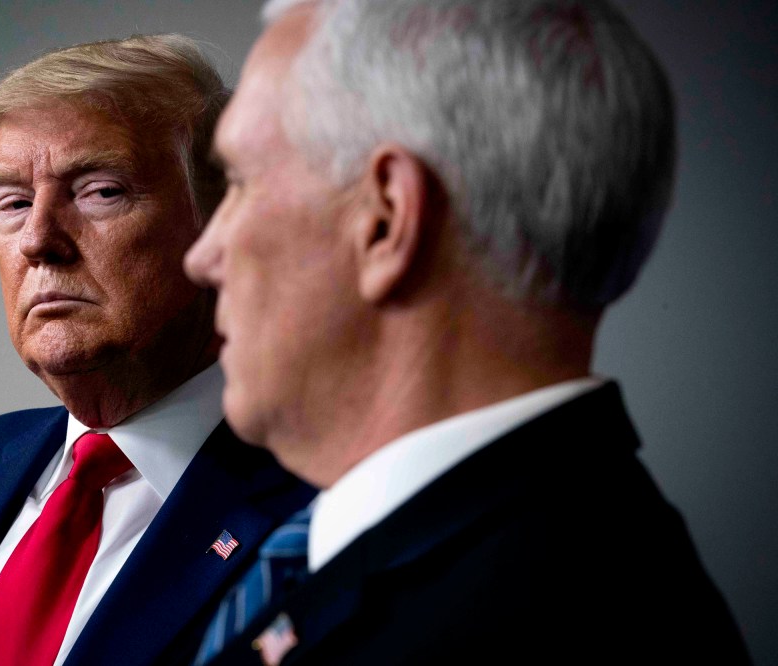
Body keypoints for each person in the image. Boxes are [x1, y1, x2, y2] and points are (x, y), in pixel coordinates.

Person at [183, 1, 751, 664]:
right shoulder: (584, 561)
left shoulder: (520, 619)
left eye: (240, 183)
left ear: (385, 220)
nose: (202, 256)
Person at [0, 35, 313, 666]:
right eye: (13, 203)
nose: (39, 240)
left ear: (226, 226)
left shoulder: (331, 508)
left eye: (101, 191)